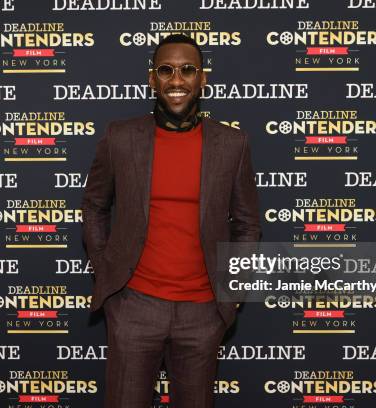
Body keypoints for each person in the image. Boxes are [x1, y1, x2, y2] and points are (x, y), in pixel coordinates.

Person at [81, 33, 261, 408]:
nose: (176, 81)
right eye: (166, 70)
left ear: (202, 79)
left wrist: (233, 288)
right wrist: (106, 272)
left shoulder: (232, 144)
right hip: (133, 308)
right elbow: (95, 205)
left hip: (203, 312)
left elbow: (246, 223)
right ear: (152, 80)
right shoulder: (120, 138)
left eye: (187, 70)